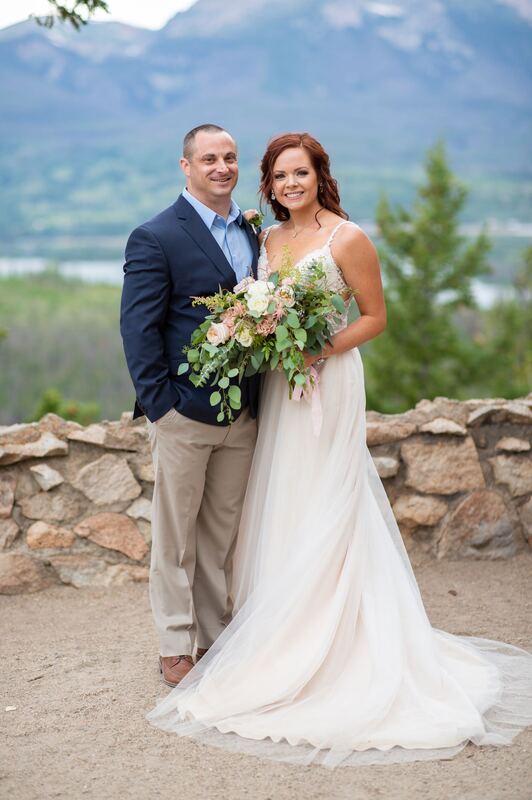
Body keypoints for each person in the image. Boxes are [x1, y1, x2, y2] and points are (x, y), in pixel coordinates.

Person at [146, 132, 532, 767]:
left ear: (319, 176)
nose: (290, 183)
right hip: (277, 385)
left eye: (301, 173)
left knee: (327, 498)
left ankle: (335, 644)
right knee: (279, 502)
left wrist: (318, 349)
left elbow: (375, 317)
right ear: (267, 186)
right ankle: (273, 634)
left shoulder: (347, 238)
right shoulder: (262, 239)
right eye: (279, 175)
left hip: (327, 377)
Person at [120, 124, 259, 689]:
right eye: (209, 159)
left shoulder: (251, 231)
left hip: (243, 413)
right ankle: (175, 644)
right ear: (186, 166)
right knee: (175, 538)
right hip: (182, 414)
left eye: (229, 157)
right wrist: (162, 407)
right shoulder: (156, 235)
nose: (221, 167)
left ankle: (215, 636)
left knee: (219, 536)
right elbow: (138, 328)